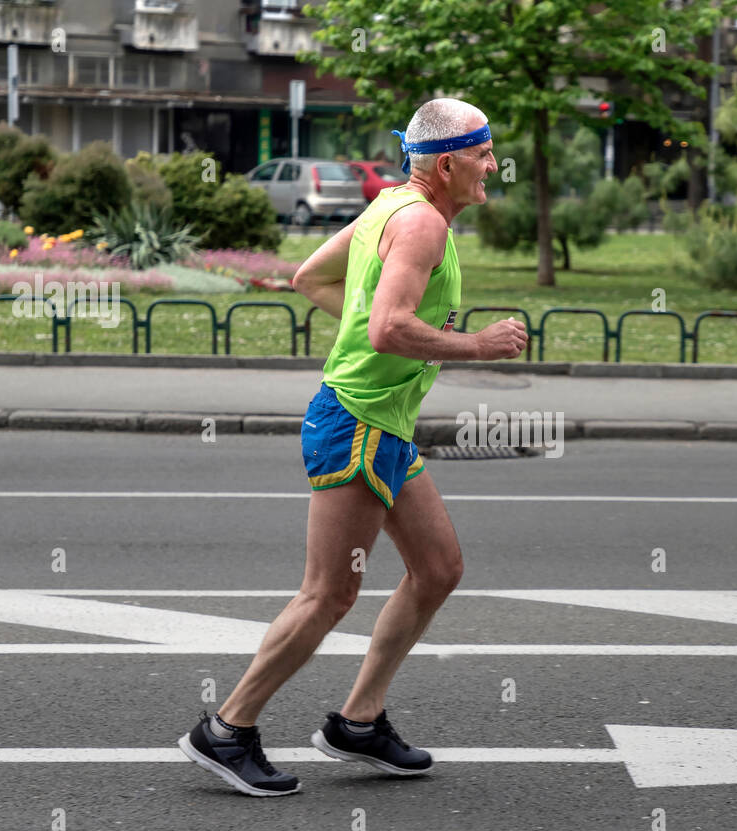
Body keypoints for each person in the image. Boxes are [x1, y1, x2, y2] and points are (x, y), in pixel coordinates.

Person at [178, 98, 528, 796]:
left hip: (384, 423)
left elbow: (311, 278)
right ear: (450, 162)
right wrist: (474, 346)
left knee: (437, 569)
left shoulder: (392, 205)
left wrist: (379, 331)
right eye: (485, 154)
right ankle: (227, 729)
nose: (494, 166)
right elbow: (388, 328)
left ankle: (359, 722)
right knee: (330, 593)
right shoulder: (421, 222)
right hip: (357, 421)